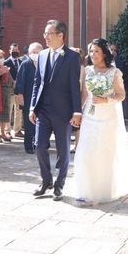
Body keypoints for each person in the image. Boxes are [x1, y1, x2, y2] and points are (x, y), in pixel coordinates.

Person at [74, 38, 128, 204]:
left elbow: (121, 95)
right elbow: (84, 94)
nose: (93, 54)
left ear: (104, 53)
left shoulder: (114, 72)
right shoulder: (87, 70)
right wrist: (78, 112)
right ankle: (86, 190)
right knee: (85, 152)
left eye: (96, 51)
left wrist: (106, 99)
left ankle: (104, 190)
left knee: (105, 154)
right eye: (91, 51)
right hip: (90, 116)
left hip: (108, 117)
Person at [30, 20, 82, 202]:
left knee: (63, 150)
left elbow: (75, 86)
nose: (45, 37)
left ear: (61, 35)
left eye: (49, 34)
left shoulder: (72, 57)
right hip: (43, 109)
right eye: (45, 34)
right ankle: (46, 181)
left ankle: (59, 185)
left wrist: (77, 111)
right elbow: (38, 82)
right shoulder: (42, 55)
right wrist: (32, 107)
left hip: (64, 112)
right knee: (39, 146)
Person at [14, 42, 43, 154]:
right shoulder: (26, 64)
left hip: (41, 99)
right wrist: (20, 96)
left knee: (40, 123)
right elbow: (20, 81)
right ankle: (28, 146)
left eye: (36, 52)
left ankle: (39, 143)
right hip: (28, 98)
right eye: (32, 52)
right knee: (29, 123)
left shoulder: (44, 63)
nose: (34, 54)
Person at [4, 43, 24, 138]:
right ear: (9, 51)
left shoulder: (22, 62)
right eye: (13, 50)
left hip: (19, 90)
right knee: (8, 110)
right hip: (9, 89)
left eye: (16, 50)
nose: (15, 52)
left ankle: (17, 130)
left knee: (19, 110)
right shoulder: (6, 62)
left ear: (18, 51)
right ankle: (7, 130)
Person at [0, 49, 13, 142]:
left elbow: (11, 80)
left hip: (7, 93)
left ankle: (2, 132)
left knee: (5, 114)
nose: (2, 59)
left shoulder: (5, 67)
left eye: (2, 57)